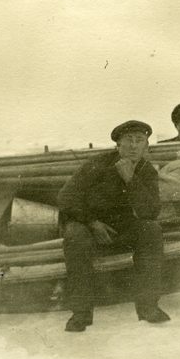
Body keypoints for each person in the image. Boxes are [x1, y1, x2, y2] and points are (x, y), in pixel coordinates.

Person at [57, 120, 168, 332]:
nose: (134, 146)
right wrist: (92, 222)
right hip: (88, 226)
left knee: (152, 230)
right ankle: (80, 313)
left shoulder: (146, 172)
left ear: (146, 146)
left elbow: (150, 212)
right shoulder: (98, 163)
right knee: (74, 235)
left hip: (120, 231)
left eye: (140, 141)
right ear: (117, 145)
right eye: (128, 140)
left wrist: (131, 180)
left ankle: (148, 307)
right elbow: (66, 197)